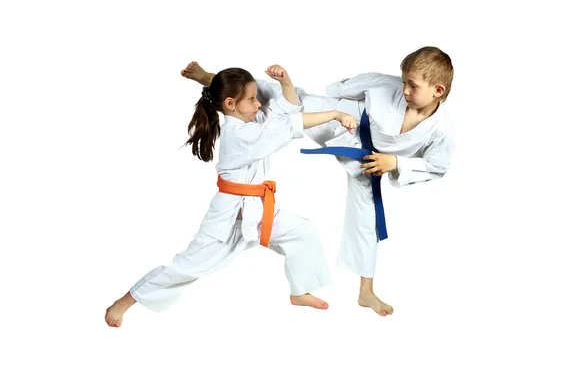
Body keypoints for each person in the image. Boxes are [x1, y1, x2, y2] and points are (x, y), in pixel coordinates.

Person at [105, 64, 357, 327]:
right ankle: (126, 300)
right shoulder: (239, 134)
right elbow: (286, 126)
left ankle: (299, 292)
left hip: (259, 212)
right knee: (187, 267)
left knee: (303, 232)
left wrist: (285, 82)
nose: (259, 104)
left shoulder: (252, 120)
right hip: (228, 220)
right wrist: (336, 114)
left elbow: (287, 110)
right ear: (230, 104)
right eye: (251, 99)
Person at [297, 46, 456, 316]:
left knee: (367, 220)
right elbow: (345, 88)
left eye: (412, 86)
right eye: (404, 81)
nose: (404, 90)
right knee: (287, 104)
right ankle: (215, 81)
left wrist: (394, 163)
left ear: (437, 91)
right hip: (340, 120)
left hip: (370, 162)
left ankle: (366, 292)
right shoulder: (387, 84)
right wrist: (335, 91)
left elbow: (437, 167)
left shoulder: (441, 130)